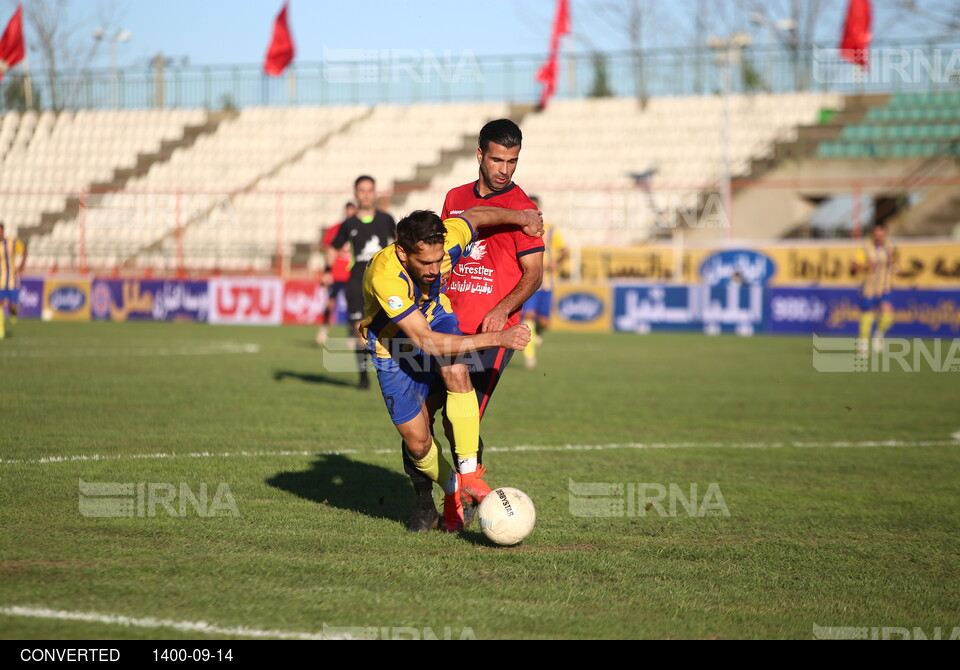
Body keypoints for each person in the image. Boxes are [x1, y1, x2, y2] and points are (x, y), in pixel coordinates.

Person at [360, 206, 543, 532]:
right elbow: (426, 341)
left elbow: (475, 216)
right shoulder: (385, 276)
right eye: (425, 263)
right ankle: (451, 489)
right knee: (417, 444)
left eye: (438, 260)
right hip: (394, 347)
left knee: (457, 370)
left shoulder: (446, 241)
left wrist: (522, 218)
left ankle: (470, 475)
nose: (434, 270)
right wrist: (498, 337)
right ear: (402, 252)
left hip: (436, 317)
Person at [403, 119, 544, 521]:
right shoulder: (455, 197)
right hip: (441, 325)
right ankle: (424, 503)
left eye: (512, 162)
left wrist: (501, 309)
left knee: (457, 422)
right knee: (418, 420)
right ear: (480, 155)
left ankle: (467, 495)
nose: (505, 169)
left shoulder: (524, 209)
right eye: (497, 159)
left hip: (489, 334)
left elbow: (534, 274)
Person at [325, 177, 396, 389]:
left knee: (391, 328)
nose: (365, 194)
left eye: (369, 190)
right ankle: (363, 377)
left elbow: (400, 243)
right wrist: (328, 270)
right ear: (356, 194)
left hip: (383, 282)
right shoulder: (349, 224)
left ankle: (392, 374)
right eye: (361, 191)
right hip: (357, 283)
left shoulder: (386, 219)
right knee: (359, 331)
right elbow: (332, 247)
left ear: (375, 193)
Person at [520, 195, 569, 370]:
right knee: (529, 316)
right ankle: (530, 356)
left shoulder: (551, 230)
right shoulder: (520, 229)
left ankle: (538, 333)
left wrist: (556, 262)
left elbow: (564, 251)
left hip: (547, 282)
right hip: (530, 281)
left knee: (544, 322)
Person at [852, 222, 899, 356]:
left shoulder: (890, 248)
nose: (878, 237)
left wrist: (895, 267)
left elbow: (893, 262)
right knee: (867, 316)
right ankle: (863, 346)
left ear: (885, 234)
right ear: (872, 234)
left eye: (881, 234)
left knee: (887, 316)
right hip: (869, 288)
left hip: (885, 287)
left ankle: (878, 335)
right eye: (876, 234)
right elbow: (854, 266)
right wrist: (866, 267)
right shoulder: (866, 248)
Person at [316, 202, 356, 347]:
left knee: (354, 306)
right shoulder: (335, 229)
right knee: (330, 303)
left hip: (353, 273)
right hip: (336, 273)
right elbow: (326, 248)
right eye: (348, 212)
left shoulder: (359, 229)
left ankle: (352, 335)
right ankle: (324, 331)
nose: (350, 215)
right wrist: (327, 271)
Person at [0, 222, 27, 340]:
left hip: (11, 279)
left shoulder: (11, 242)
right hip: (0, 281)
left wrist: (21, 266)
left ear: (3, 231)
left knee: (13, 305)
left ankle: (13, 313)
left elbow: (24, 252)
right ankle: (1, 330)